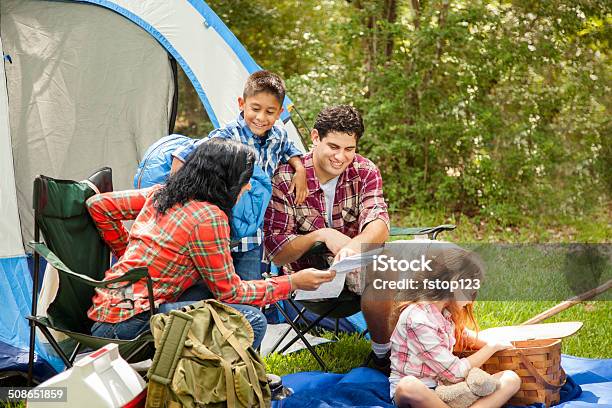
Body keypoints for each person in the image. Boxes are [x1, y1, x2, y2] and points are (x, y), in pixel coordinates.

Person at [87, 139, 334, 349]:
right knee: (251, 321)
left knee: (212, 293)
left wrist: (128, 254)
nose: (248, 186)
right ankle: (229, 385)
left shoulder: (163, 194)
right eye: (244, 180)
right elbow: (230, 291)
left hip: (109, 309)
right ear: (226, 181)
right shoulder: (209, 217)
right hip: (128, 328)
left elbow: (99, 205)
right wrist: (291, 282)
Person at [263, 105, 392, 371]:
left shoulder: (365, 170)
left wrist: (352, 247)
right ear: (314, 137)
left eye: (349, 149)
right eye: (333, 146)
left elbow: (379, 221)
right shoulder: (286, 176)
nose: (341, 157)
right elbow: (277, 251)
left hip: (358, 266)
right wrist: (320, 235)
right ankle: (391, 356)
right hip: (308, 278)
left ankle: (391, 354)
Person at [170, 70, 308, 282]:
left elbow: (290, 150)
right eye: (255, 109)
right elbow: (185, 153)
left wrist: (300, 170)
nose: (261, 118)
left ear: (279, 112)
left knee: (250, 290)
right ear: (241, 103)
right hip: (221, 232)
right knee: (216, 288)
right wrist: (176, 194)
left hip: (252, 236)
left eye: (270, 112)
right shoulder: (228, 135)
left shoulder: (278, 136)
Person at [389, 244, 521, 407]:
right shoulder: (417, 319)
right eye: (471, 287)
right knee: (408, 386)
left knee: (510, 378)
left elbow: (464, 335)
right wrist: (491, 348)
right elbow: (454, 373)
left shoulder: (444, 313)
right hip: (423, 392)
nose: (473, 296)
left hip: (448, 390)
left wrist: (500, 342)